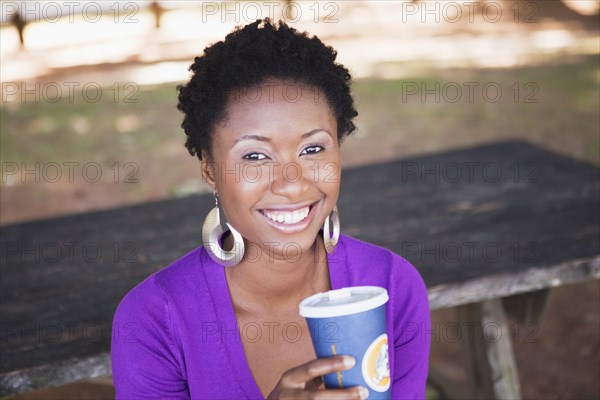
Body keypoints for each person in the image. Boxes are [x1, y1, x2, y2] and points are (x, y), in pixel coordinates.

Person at [111, 18, 430, 399]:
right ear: (210, 171)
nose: (291, 182)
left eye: (313, 148)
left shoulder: (391, 286)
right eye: (255, 155)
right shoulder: (155, 319)